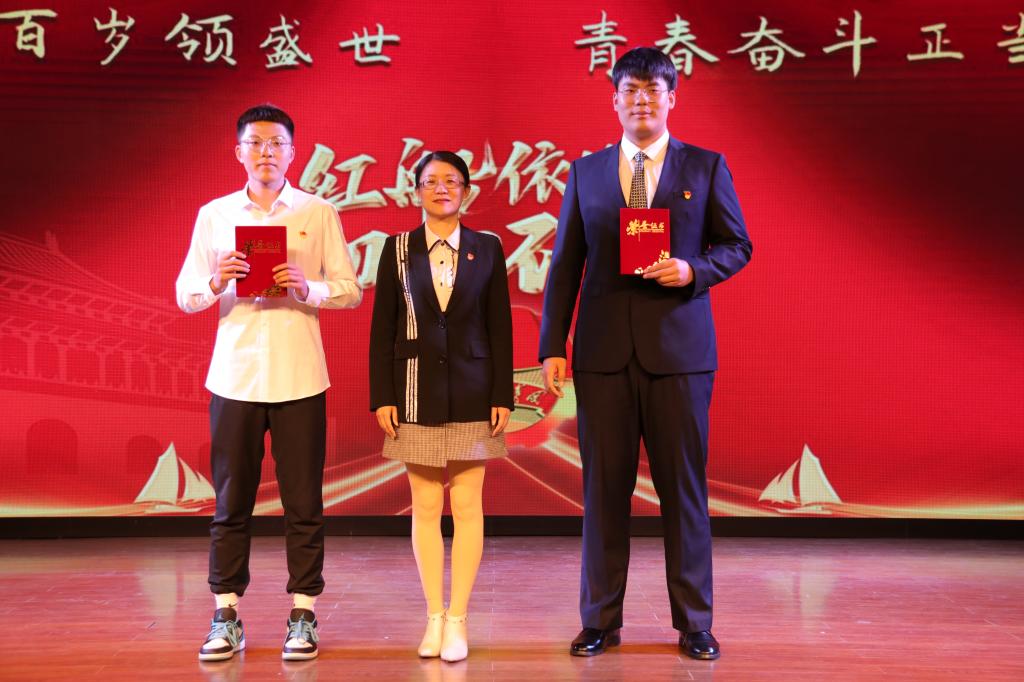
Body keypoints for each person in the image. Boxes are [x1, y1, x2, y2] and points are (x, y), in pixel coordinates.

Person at [538, 47, 753, 660]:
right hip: (603, 355)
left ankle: (695, 623)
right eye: (630, 91)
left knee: (683, 490)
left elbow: (737, 245)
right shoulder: (586, 172)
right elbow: (565, 265)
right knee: (604, 492)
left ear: (671, 99)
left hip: (680, 354)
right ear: (614, 101)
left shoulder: (705, 166)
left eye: (652, 90)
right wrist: (552, 345)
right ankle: (599, 620)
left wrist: (692, 269)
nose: (641, 101)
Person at [175, 103, 362, 662]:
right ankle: (225, 613)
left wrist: (308, 287)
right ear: (238, 152)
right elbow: (185, 294)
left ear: (292, 152)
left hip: (299, 375)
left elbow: (350, 289)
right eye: (255, 143)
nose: (266, 153)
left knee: (303, 502)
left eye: (276, 143)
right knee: (230, 502)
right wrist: (217, 280)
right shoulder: (215, 214)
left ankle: (303, 612)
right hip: (234, 377)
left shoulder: (317, 211)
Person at [369, 151, 514, 662]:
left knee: (468, 505)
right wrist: (382, 395)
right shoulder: (396, 249)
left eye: (451, 181)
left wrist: (502, 394)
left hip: (474, 390)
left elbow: (500, 325)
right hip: (414, 391)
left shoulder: (487, 247)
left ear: (466, 191)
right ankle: (433, 616)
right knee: (427, 505)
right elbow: (383, 327)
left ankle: (458, 619)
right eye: (430, 181)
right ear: (417, 191)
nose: (441, 188)